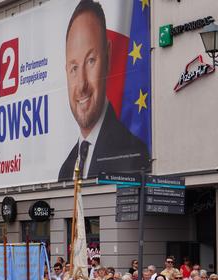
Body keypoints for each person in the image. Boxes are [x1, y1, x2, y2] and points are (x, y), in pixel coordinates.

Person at [57, 0, 149, 181]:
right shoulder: (66, 170)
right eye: (74, 68)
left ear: (107, 57)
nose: (82, 84)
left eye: (91, 60)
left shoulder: (133, 154)